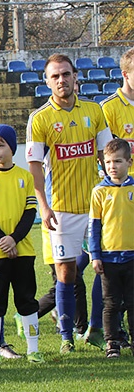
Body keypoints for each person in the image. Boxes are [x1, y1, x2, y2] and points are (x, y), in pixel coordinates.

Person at [26, 53, 112, 354]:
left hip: (96, 207)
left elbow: (106, 155)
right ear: (47, 81)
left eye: (66, 74)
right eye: (55, 76)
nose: (61, 80)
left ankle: (97, 330)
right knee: (66, 273)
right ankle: (66, 337)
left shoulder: (95, 111)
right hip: (61, 207)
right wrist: (43, 205)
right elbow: (35, 165)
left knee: (104, 269)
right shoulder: (40, 119)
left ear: (76, 77)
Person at [0, 125, 43, 364]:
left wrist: (14, 238)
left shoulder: (24, 177)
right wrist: (3, 241)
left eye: (1, 145)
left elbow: (29, 213)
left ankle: (33, 349)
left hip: (23, 250)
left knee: (26, 299)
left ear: (12, 148)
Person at [89, 138, 134, 359]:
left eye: (117, 161)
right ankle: (112, 343)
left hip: (132, 256)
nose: (112, 167)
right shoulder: (99, 192)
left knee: (133, 301)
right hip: (108, 257)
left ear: (129, 162)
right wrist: (95, 255)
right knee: (111, 304)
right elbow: (94, 227)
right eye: (108, 162)